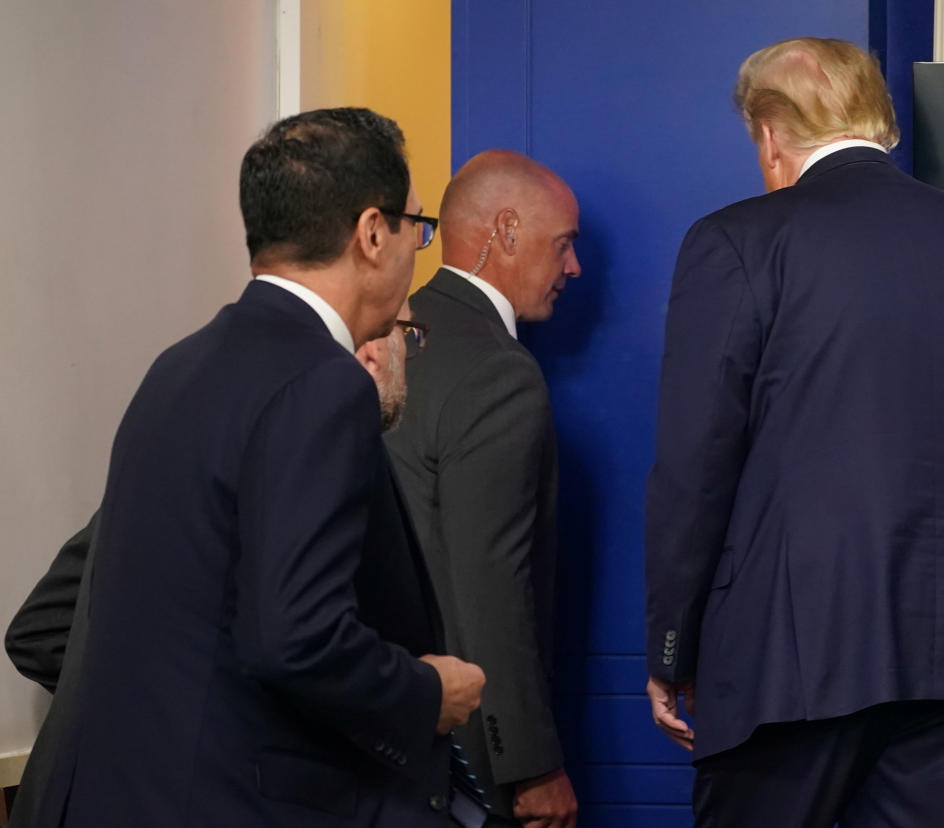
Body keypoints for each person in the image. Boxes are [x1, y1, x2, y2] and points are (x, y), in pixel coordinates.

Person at [644, 38, 944, 828]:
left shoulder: (739, 242)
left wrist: (673, 647)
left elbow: (695, 467)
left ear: (769, 136)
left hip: (791, 662)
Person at [8, 107, 485, 828]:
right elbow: (296, 636)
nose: (416, 250)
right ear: (371, 233)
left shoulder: (180, 367)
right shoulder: (324, 384)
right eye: (419, 228)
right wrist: (426, 692)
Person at [4, 305, 424, 694]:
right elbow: (39, 632)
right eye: (406, 333)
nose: (409, 353)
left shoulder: (190, 457)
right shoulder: (303, 479)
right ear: (369, 350)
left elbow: (40, 630)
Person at [385, 149, 581, 827]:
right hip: (469, 760)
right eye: (564, 245)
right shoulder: (501, 374)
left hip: (381, 733)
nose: (574, 268)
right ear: (504, 231)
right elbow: (491, 583)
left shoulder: (383, 337)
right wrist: (530, 766)